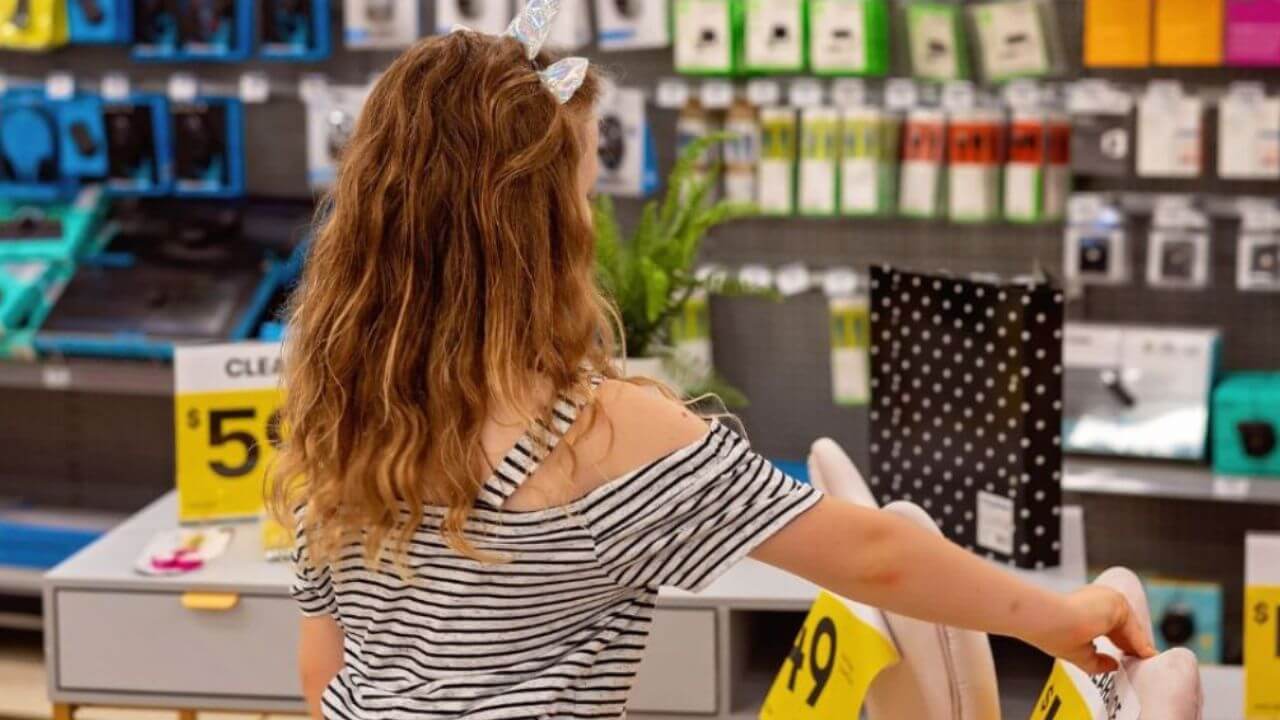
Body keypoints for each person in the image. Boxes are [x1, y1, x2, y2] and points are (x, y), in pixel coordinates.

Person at [270, 9, 1155, 719]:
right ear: (539, 230)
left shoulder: (343, 405)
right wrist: (1059, 617)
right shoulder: (593, 431)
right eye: (579, 194)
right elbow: (878, 557)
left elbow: (325, 667)